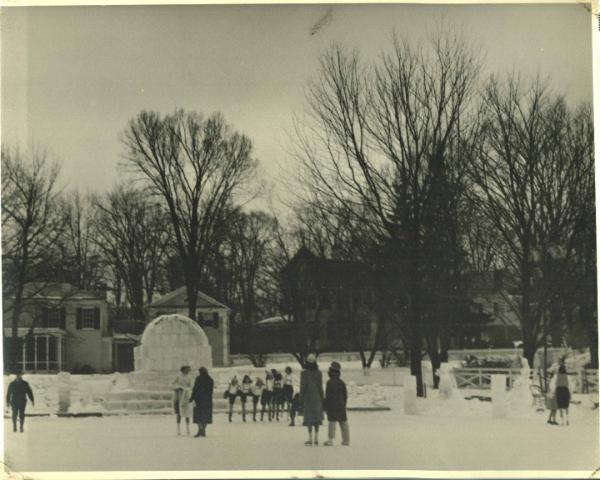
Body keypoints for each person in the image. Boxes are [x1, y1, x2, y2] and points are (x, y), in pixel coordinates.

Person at [300, 353, 324, 446]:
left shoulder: (304, 373)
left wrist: (301, 398)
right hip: (317, 397)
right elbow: (320, 386)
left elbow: (303, 386)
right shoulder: (319, 373)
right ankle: (316, 438)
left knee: (309, 418)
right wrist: (322, 397)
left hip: (308, 397)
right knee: (316, 418)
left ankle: (310, 438)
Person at [323, 362, 350, 446]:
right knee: (343, 422)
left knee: (332, 422)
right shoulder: (341, 382)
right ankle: (346, 440)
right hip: (341, 404)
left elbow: (327, 395)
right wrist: (344, 403)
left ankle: (330, 440)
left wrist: (325, 405)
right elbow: (345, 395)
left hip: (332, 404)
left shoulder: (329, 382)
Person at [190, 367, 214, 437]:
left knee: (199, 416)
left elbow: (195, 389)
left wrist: (192, 397)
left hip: (199, 400)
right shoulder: (210, 379)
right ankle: (202, 430)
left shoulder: (198, 379)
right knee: (205, 416)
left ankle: (200, 430)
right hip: (207, 400)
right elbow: (210, 391)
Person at [171, 365, 193, 435]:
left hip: (186, 396)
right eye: (187, 370)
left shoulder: (189, 377)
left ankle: (188, 429)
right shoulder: (178, 376)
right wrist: (177, 387)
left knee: (187, 413)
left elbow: (191, 386)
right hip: (178, 396)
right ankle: (178, 429)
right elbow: (171, 384)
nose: (188, 371)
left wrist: (187, 389)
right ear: (183, 370)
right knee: (178, 414)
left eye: (189, 370)